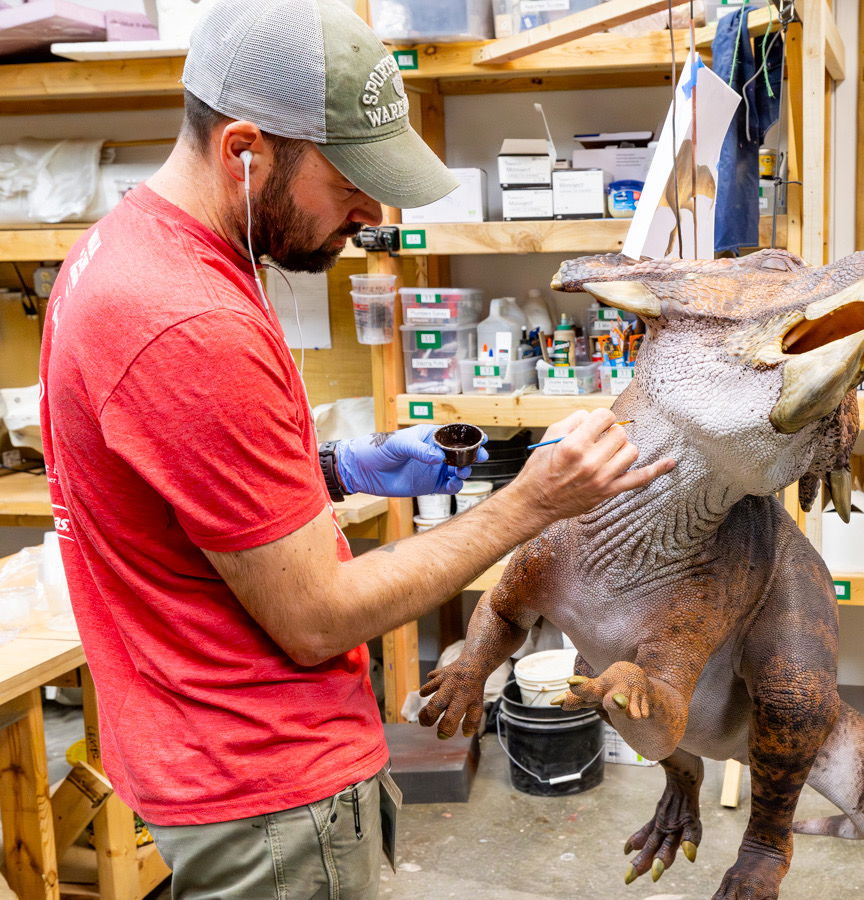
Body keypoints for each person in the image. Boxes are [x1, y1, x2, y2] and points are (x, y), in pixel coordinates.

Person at [37, 0, 674, 897]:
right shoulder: (189, 322)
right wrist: (531, 502)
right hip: (268, 788)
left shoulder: (129, 254)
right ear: (244, 151)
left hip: (207, 755)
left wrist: (337, 469)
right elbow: (317, 616)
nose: (369, 212)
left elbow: (189, 494)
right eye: (347, 185)